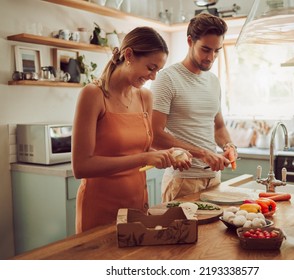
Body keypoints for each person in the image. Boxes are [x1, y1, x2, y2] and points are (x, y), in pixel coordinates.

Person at [72, 26, 191, 233]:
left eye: (157, 71)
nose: (153, 77)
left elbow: (142, 150)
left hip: (137, 206)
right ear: (128, 55)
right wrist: (145, 159)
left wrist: (167, 155)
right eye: (150, 68)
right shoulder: (93, 95)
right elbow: (81, 166)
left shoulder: (144, 97)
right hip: (99, 208)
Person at [151, 13, 238, 202]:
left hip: (214, 179)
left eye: (217, 51)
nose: (211, 57)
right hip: (182, 181)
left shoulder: (213, 81)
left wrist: (228, 145)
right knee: (178, 233)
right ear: (190, 41)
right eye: (205, 49)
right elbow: (154, 135)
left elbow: (219, 126)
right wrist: (204, 154)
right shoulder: (167, 79)